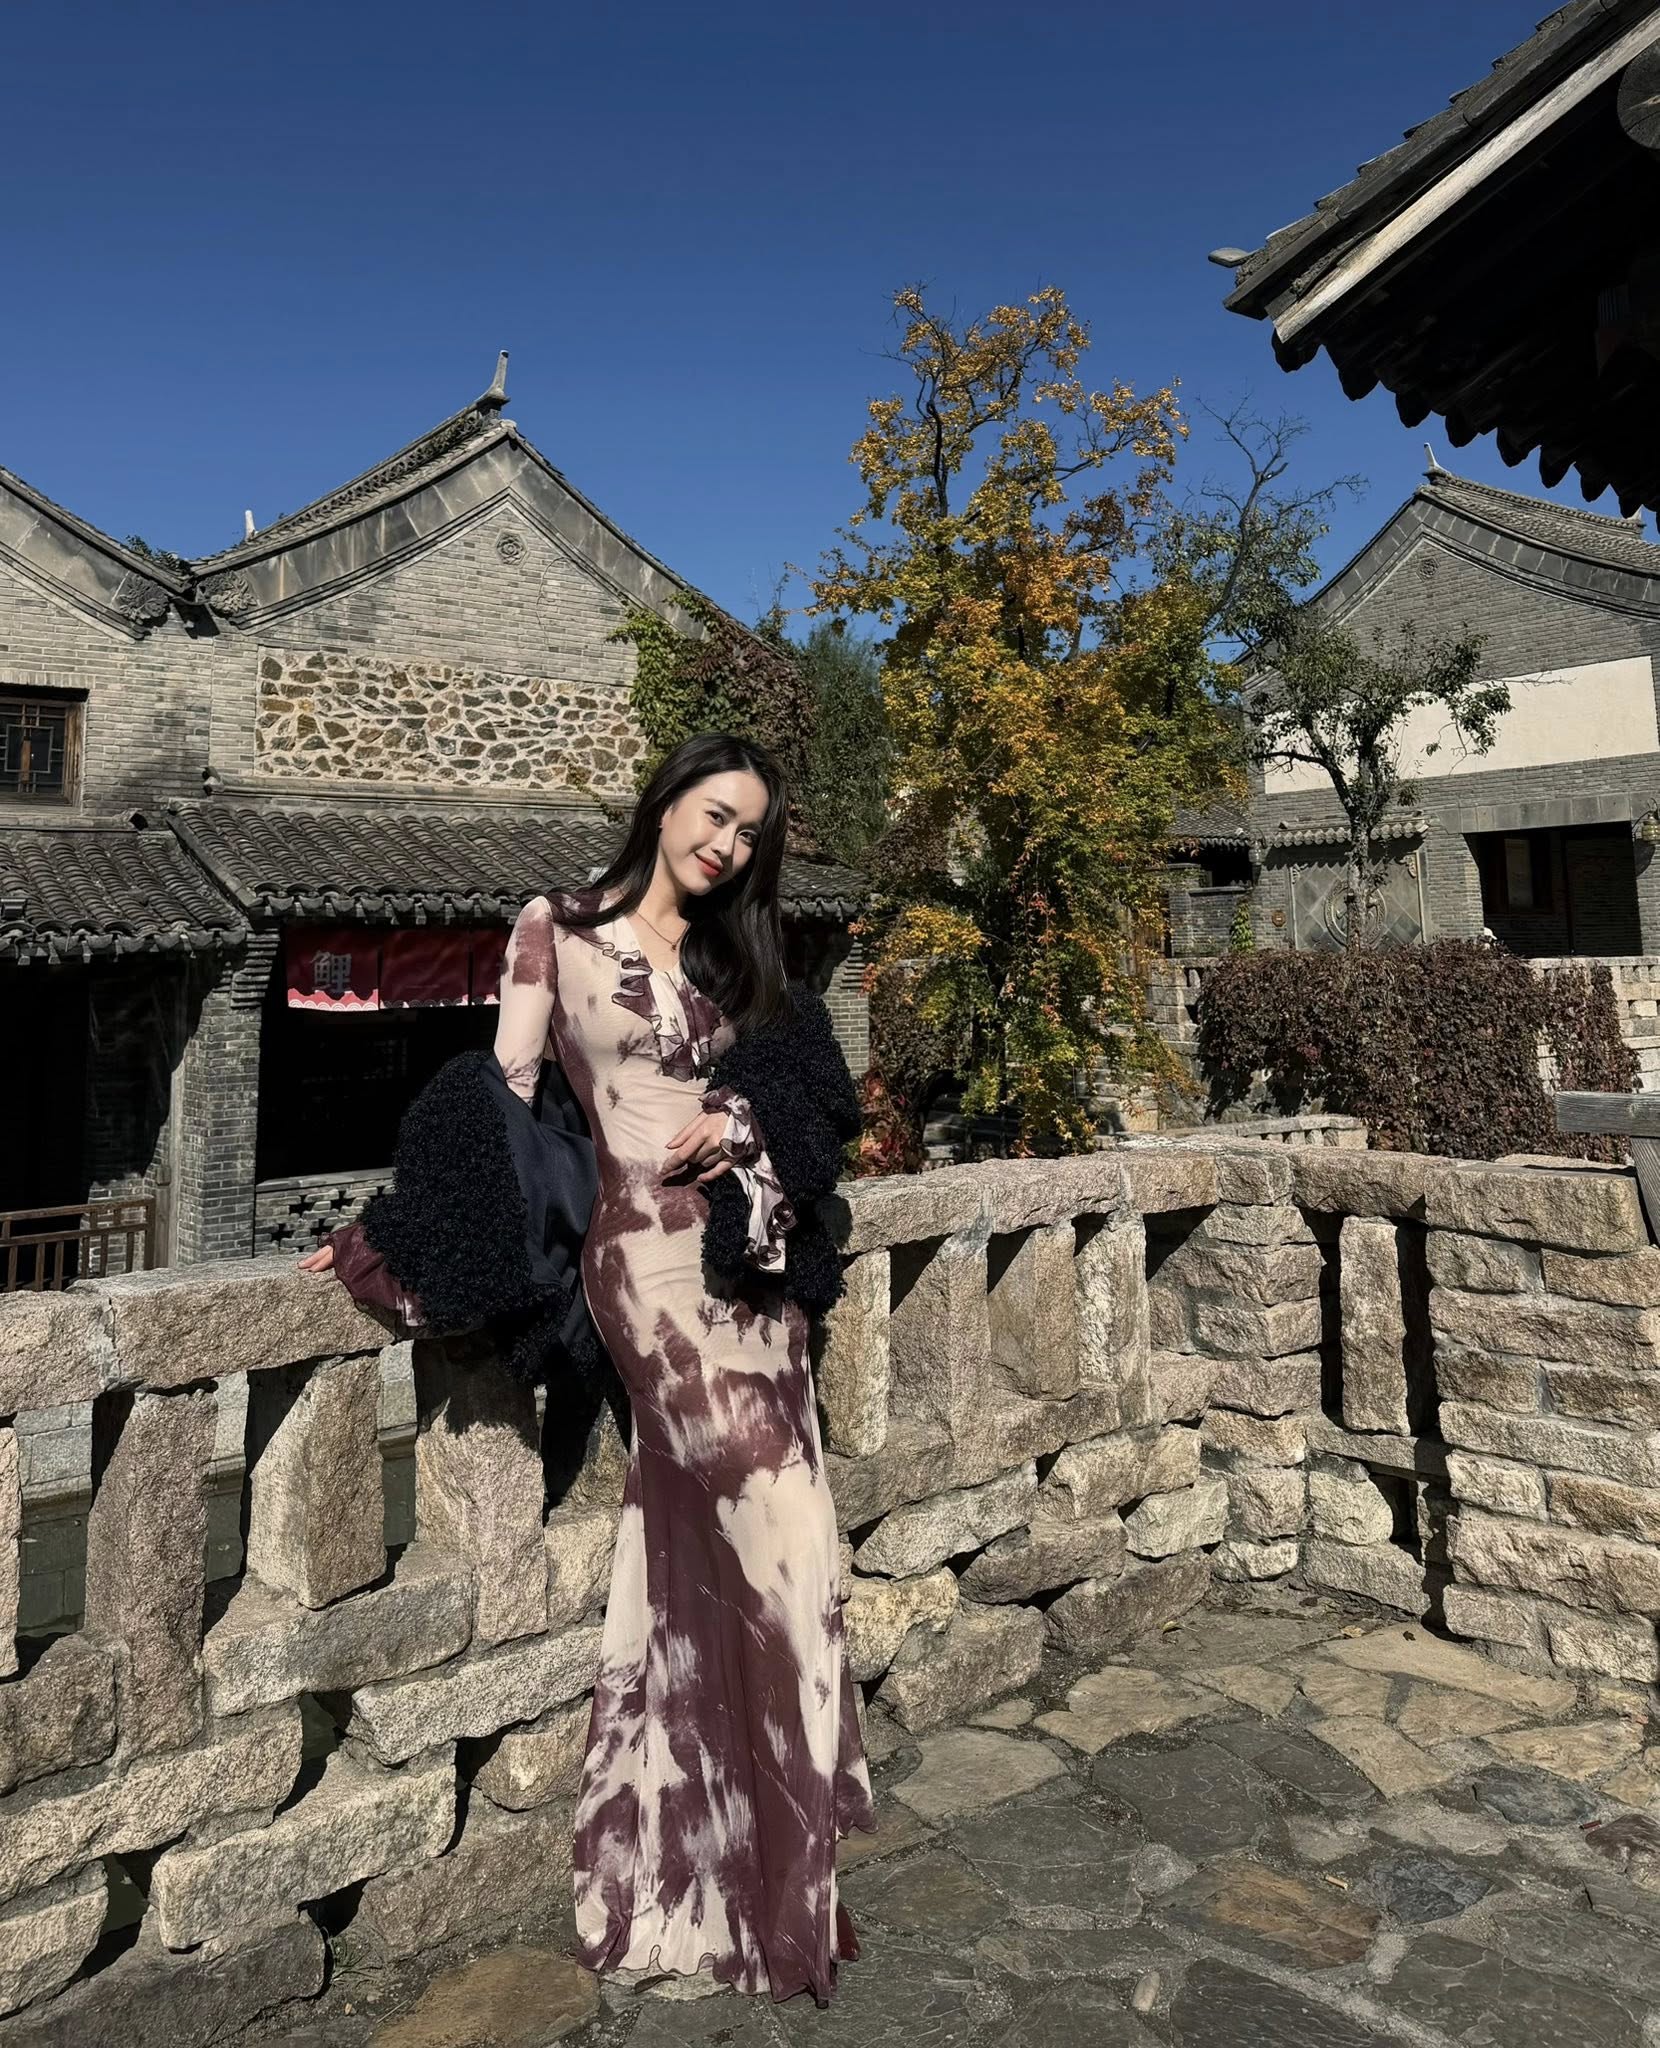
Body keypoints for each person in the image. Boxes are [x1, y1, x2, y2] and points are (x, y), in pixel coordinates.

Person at [302, 731, 876, 2006]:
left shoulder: (734, 955)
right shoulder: (553, 928)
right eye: (714, 815)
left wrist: (740, 1116)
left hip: (750, 1271)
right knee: (779, 1526)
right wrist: (386, 1229)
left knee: (773, 1549)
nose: (726, 846)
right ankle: (743, 1867)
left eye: (748, 834)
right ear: (665, 801)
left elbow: (807, 1084)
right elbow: (499, 1105)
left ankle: (737, 1875)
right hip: (645, 1274)